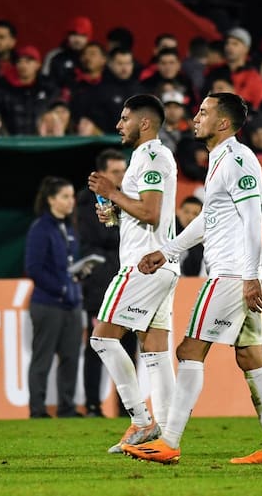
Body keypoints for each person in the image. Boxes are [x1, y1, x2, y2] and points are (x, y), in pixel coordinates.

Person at [124, 92, 262, 465]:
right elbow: (208, 219)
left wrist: (249, 276)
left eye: (203, 112)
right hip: (237, 273)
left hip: (231, 274)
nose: (195, 118)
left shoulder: (238, 159)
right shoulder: (219, 160)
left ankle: (168, 441)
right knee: (250, 356)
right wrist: (168, 250)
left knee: (188, 351)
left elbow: (253, 220)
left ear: (223, 123)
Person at [86, 94, 179, 454]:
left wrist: (112, 191)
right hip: (163, 266)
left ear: (144, 123)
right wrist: (117, 212)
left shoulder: (153, 155)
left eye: (124, 118)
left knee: (102, 339)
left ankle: (142, 421)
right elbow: (144, 211)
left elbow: (152, 212)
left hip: (144, 265)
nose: (118, 125)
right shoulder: (144, 157)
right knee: (155, 351)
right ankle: (168, 436)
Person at [75, 149, 135, 417]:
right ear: (101, 175)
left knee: (130, 345)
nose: (121, 176)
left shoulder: (127, 196)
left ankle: (127, 407)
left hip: (128, 282)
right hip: (100, 283)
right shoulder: (87, 201)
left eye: (123, 171)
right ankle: (91, 405)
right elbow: (103, 236)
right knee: (98, 344)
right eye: (115, 172)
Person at [24, 176, 85, 418]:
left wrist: (79, 275)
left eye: (71, 196)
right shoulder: (40, 228)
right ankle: (37, 410)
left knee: (70, 356)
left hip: (72, 303)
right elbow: (34, 268)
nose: (71, 202)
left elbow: (69, 263)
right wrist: (60, 288)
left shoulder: (70, 227)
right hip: (48, 304)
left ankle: (67, 407)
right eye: (65, 196)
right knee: (43, 358)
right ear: (51, 200)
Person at [175, 196, 204, 276]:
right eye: (186, 212)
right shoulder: (166, 234)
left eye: (195, 214)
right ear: (178, 212)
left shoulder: (200, 246)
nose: (190, 217)